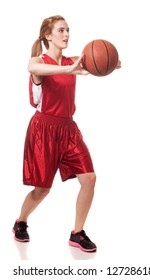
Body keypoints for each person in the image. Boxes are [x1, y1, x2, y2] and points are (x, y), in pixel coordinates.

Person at [13, 15, 121, 253]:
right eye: (61, 30)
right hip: (43, 130)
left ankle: (77, 233)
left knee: (90, 179)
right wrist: (69, 68)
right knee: (42, 189)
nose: (66, 35)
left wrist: (110, 62)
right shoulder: (39, 61)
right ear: (47, 36)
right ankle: (20, 221)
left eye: (68, 30)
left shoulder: (74, 61)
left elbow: (95, 61)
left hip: (69, 129)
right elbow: (32, 68)